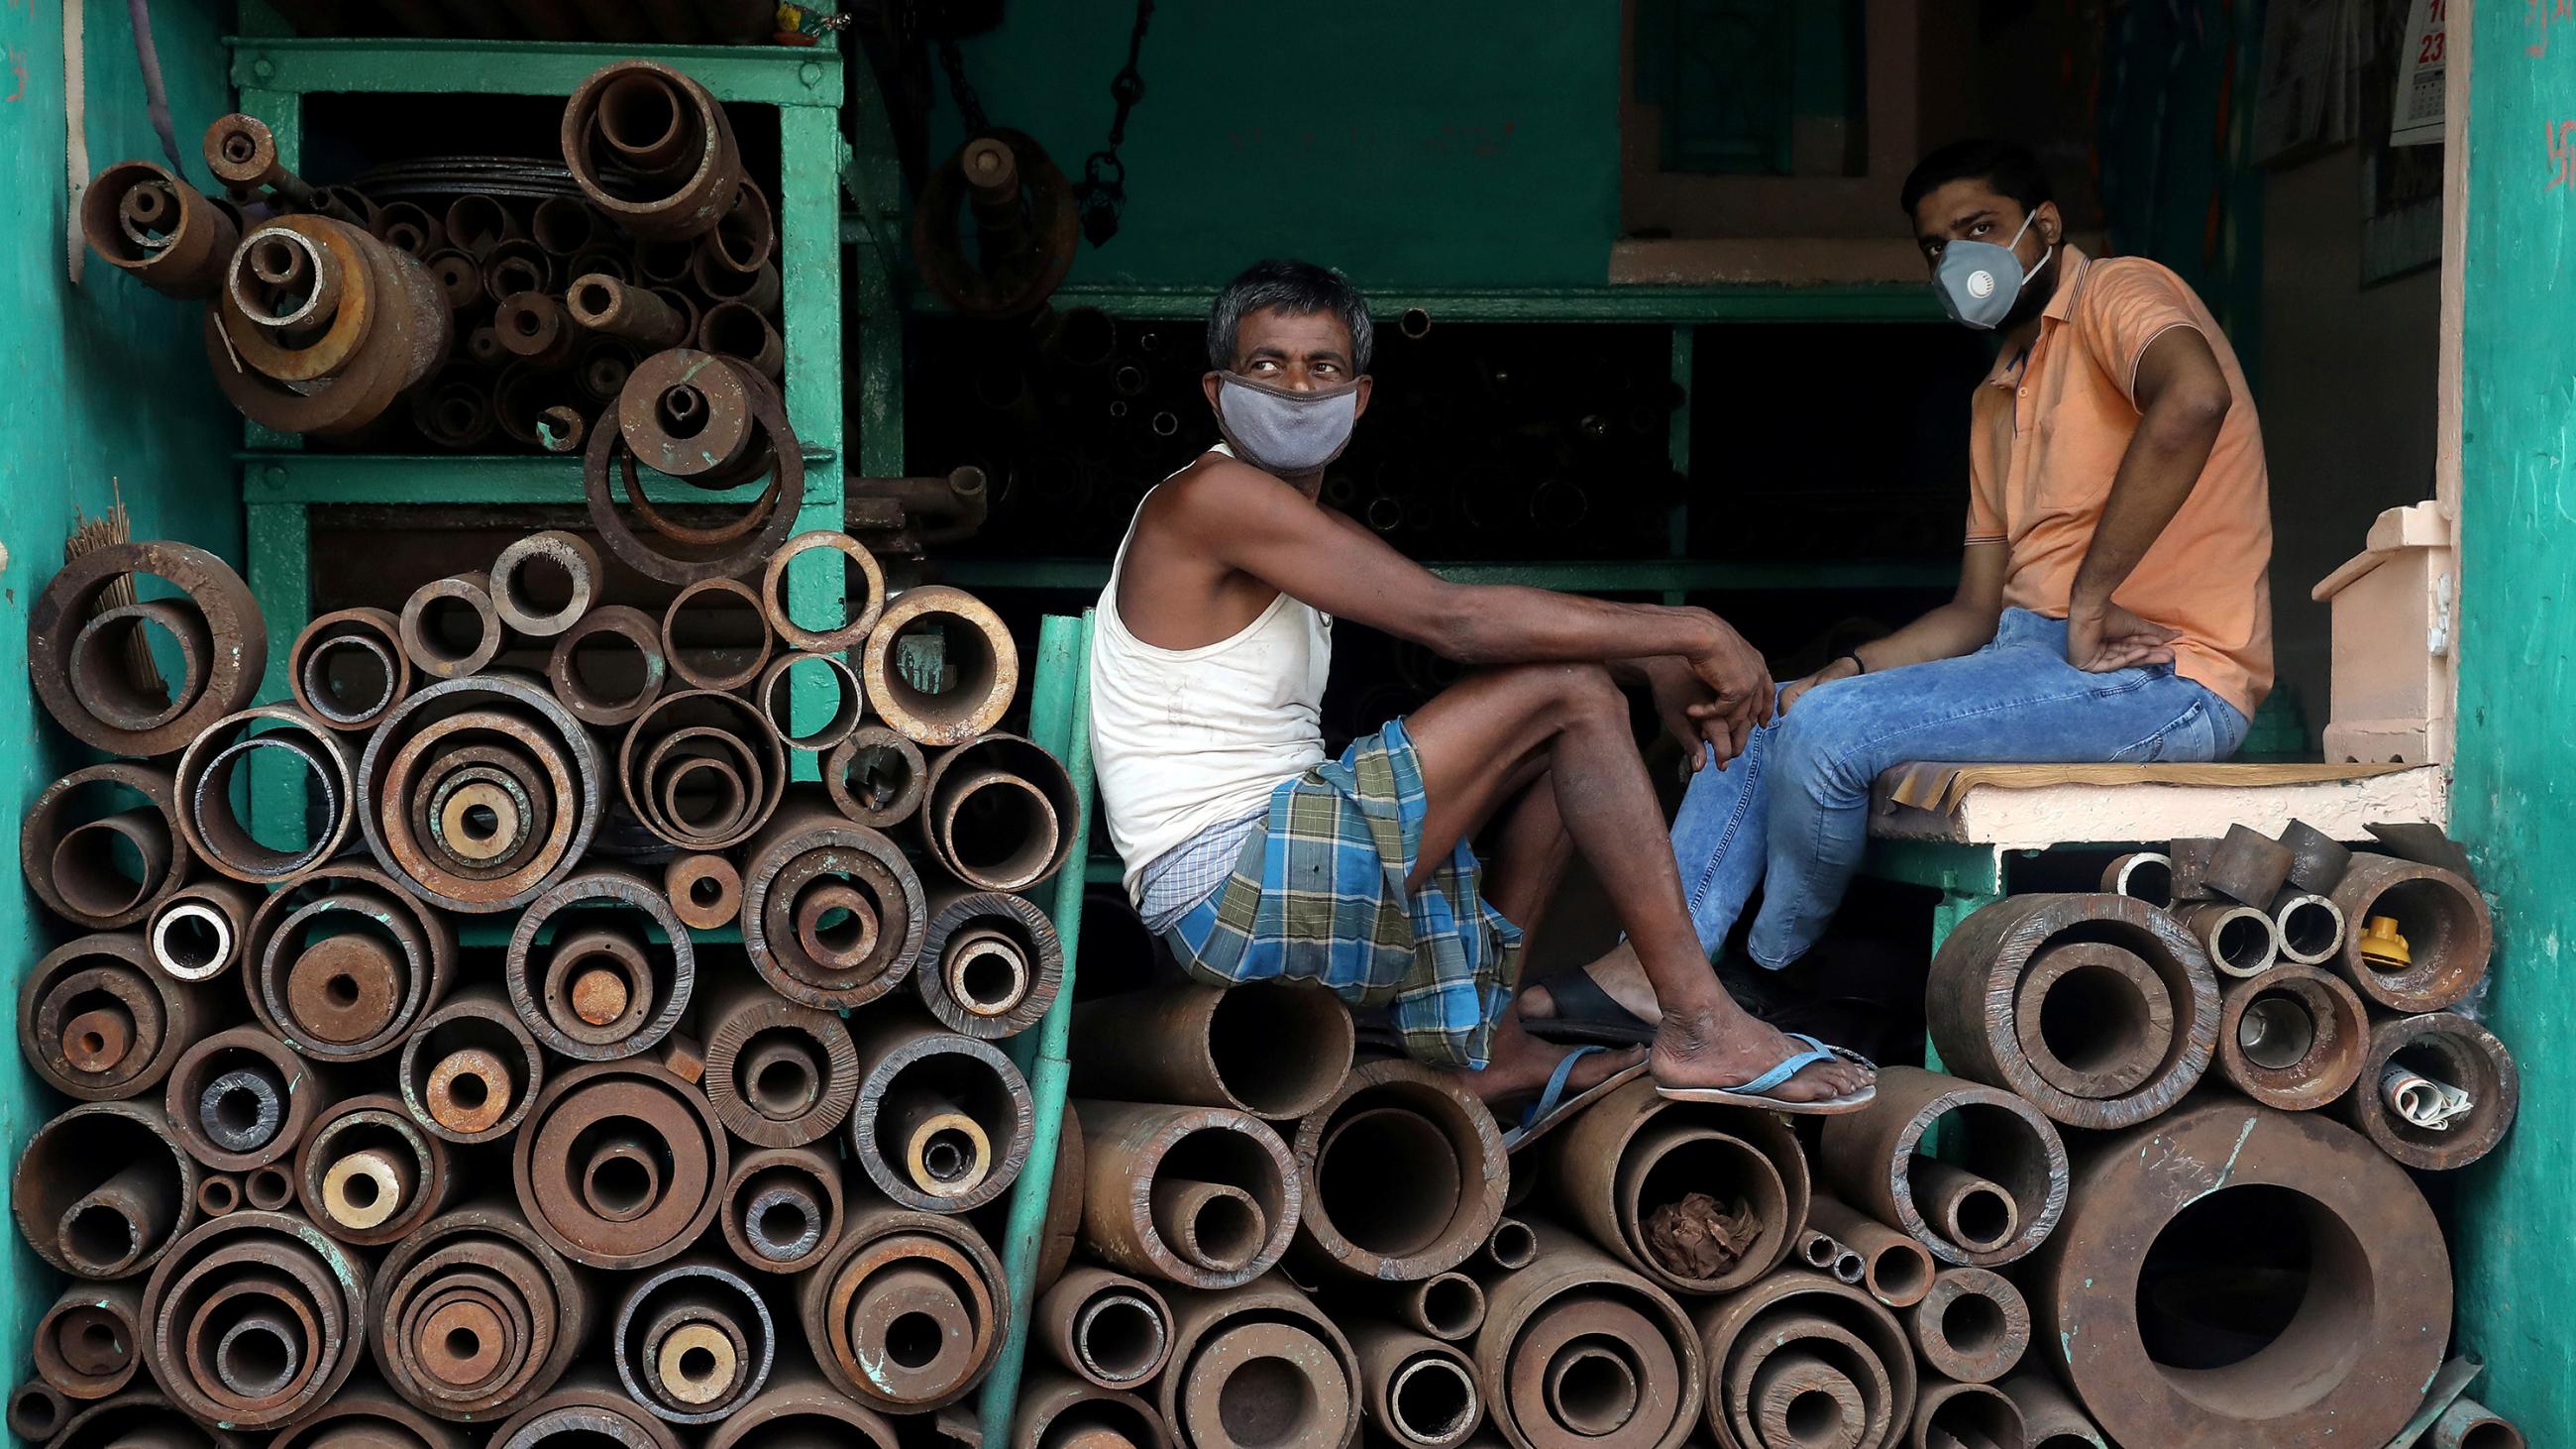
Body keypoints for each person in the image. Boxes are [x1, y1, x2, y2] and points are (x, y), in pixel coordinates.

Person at [1520, 138, 2274, 1041]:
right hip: (2028, 661)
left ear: (2047, 226)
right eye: (1938, 245)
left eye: (1981, 228)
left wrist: (2090, 598)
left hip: (2165, 675)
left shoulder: (2119, 291)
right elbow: (1974, 611)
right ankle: (1653, 970)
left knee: (1831, 737)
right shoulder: (2000, 388)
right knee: (1767, 711)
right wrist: (1841, 668)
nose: (1961, 259)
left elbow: (2191, 397)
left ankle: (1770, 975)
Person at [1088, 259, 1877, 1117]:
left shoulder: (1296, 528)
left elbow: (1486, 634)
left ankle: (1493, 1044)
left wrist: (1642, 662)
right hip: (1234, 887)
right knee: (1569, 695)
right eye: (1265, 366)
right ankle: (1700, 1021)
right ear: (1216, 389)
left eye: (1321, 367)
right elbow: (1454, 621)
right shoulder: (1210, 497)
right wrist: (1690, 630)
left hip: (1266, 879)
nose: (1294, 388)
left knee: (1566, 723)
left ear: (1358, 399)